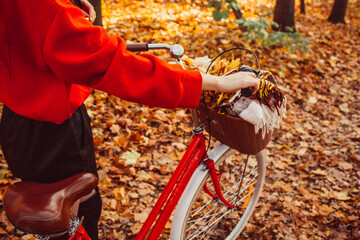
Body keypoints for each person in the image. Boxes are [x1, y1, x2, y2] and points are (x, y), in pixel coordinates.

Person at [0, 0, 259, 239]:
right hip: (55, 133)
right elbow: (112, 64)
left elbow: (30, 30)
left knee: (63, 227)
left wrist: (73, 6)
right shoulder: (47, 6)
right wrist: (211, 82)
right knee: (80, 218)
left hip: (17, 122)